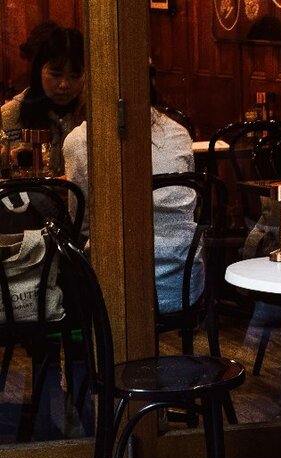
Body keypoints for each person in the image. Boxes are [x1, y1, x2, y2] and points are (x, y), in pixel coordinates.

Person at [63, 65, 204, 315]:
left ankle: (81, 350)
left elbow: (81, 220)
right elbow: (189, 203)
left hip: (115, 289)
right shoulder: (178, 132)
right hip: (182, 282)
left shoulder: (80, 140)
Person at [1, 25, 85, 178]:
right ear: (38, 70)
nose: (64, 84)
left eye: (74, 76)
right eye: (55, 74)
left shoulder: (91, 114)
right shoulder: (9, 115)